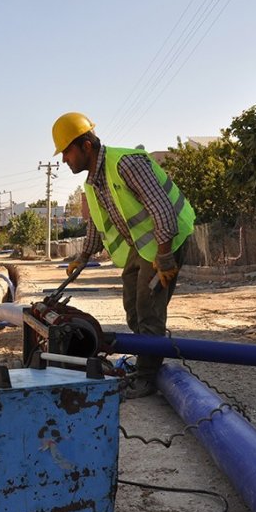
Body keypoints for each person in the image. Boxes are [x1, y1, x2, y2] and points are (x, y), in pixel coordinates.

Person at [52, 112, 195, 398]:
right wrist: (83, 257)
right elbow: (96, 223)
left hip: (167, 239)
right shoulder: (93, 183)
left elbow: (162, 209)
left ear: (87, 146)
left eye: (67, 151)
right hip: (141, 247)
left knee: (148, 308)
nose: (64, 159)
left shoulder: (127, 163)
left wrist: (165, 257)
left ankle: (146, 377)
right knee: (132, 305)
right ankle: (147, 359)